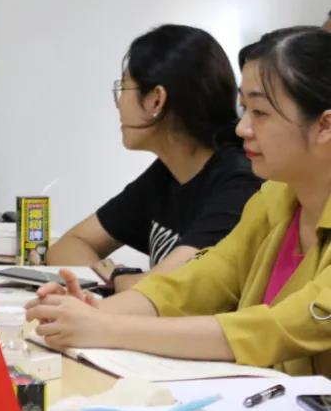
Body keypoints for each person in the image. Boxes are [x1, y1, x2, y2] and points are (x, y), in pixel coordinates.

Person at [28, 26, 331, 376]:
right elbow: (197, 282)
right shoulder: (275, 198)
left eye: (260, 113)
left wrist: (108, 326)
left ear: (325, 126)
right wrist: (91, 313)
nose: (242, 128)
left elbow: (278, 327)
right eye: (244, 108)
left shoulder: (246, 182)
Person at [47, 25, 261, 291]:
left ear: (156, 100)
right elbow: (68, 246)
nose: (118, 104)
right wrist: (119, 279)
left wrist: (117, 277)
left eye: (123, 87)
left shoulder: (240, 182)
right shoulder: (168, 173)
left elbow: (167, 288)